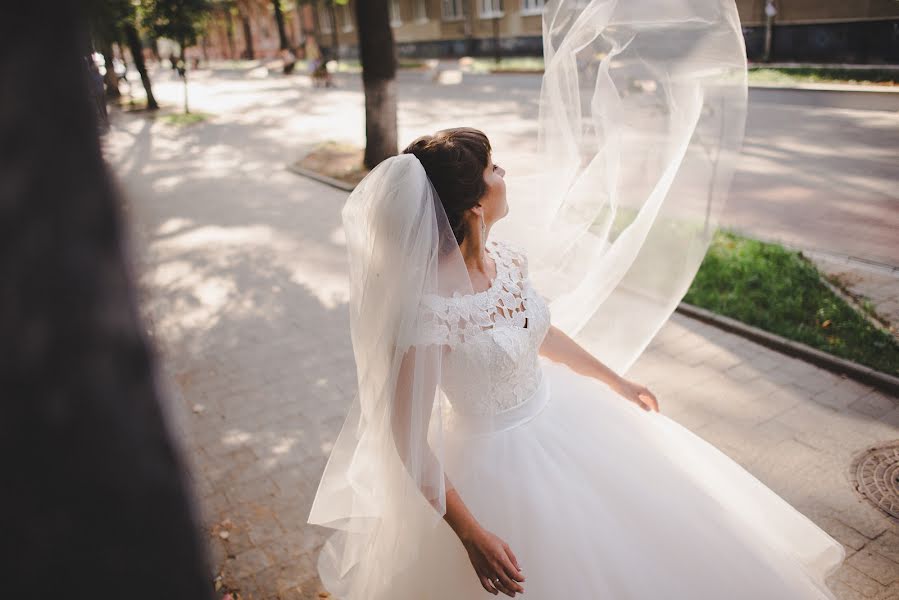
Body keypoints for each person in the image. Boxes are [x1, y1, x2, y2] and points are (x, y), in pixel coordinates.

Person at [307, 2, 846, 598]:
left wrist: (616, 382)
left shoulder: (507, 260)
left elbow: (541, 332)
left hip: (566, 421)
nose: (505, 172)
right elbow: (405, 440)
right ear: (473, 204)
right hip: (494, 469)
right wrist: (469, 533)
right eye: (495, 168)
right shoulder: (427, 311)